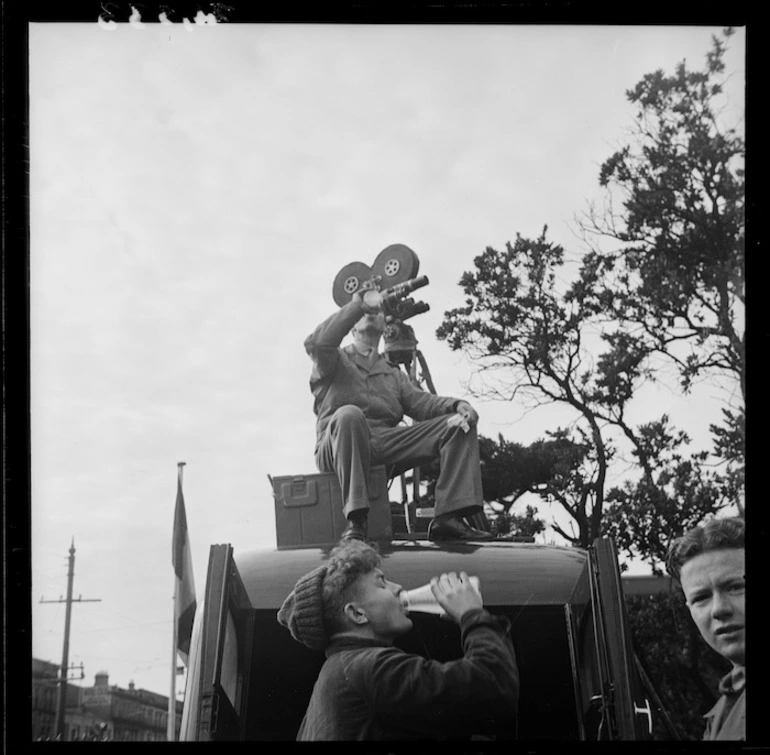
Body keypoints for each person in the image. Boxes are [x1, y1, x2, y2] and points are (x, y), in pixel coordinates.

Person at [276, 540, 519, 740]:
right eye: (382, 583)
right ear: (356, 614)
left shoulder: (333, 679)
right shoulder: (372, 668)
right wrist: (472, 614)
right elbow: (494, 685)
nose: (398, 588)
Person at [305, 286, 493, 541]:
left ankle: (450, 515)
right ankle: (357, 521)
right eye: (363, 314)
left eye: (377, 312)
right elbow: (317, 343)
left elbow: (422, 403)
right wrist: (358, 305)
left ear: (384, 326)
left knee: (458, 424)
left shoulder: (393, 374)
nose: (372, 314)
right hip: (338, 444)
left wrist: (456, 405)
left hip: (382, 445)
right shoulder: (333, 360)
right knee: (349, 415)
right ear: (350, 328)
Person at [666, 517, 745, 741]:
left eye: (736, 587)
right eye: (701, 598)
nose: (719, 609)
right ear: (689, 609)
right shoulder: (724, 707)